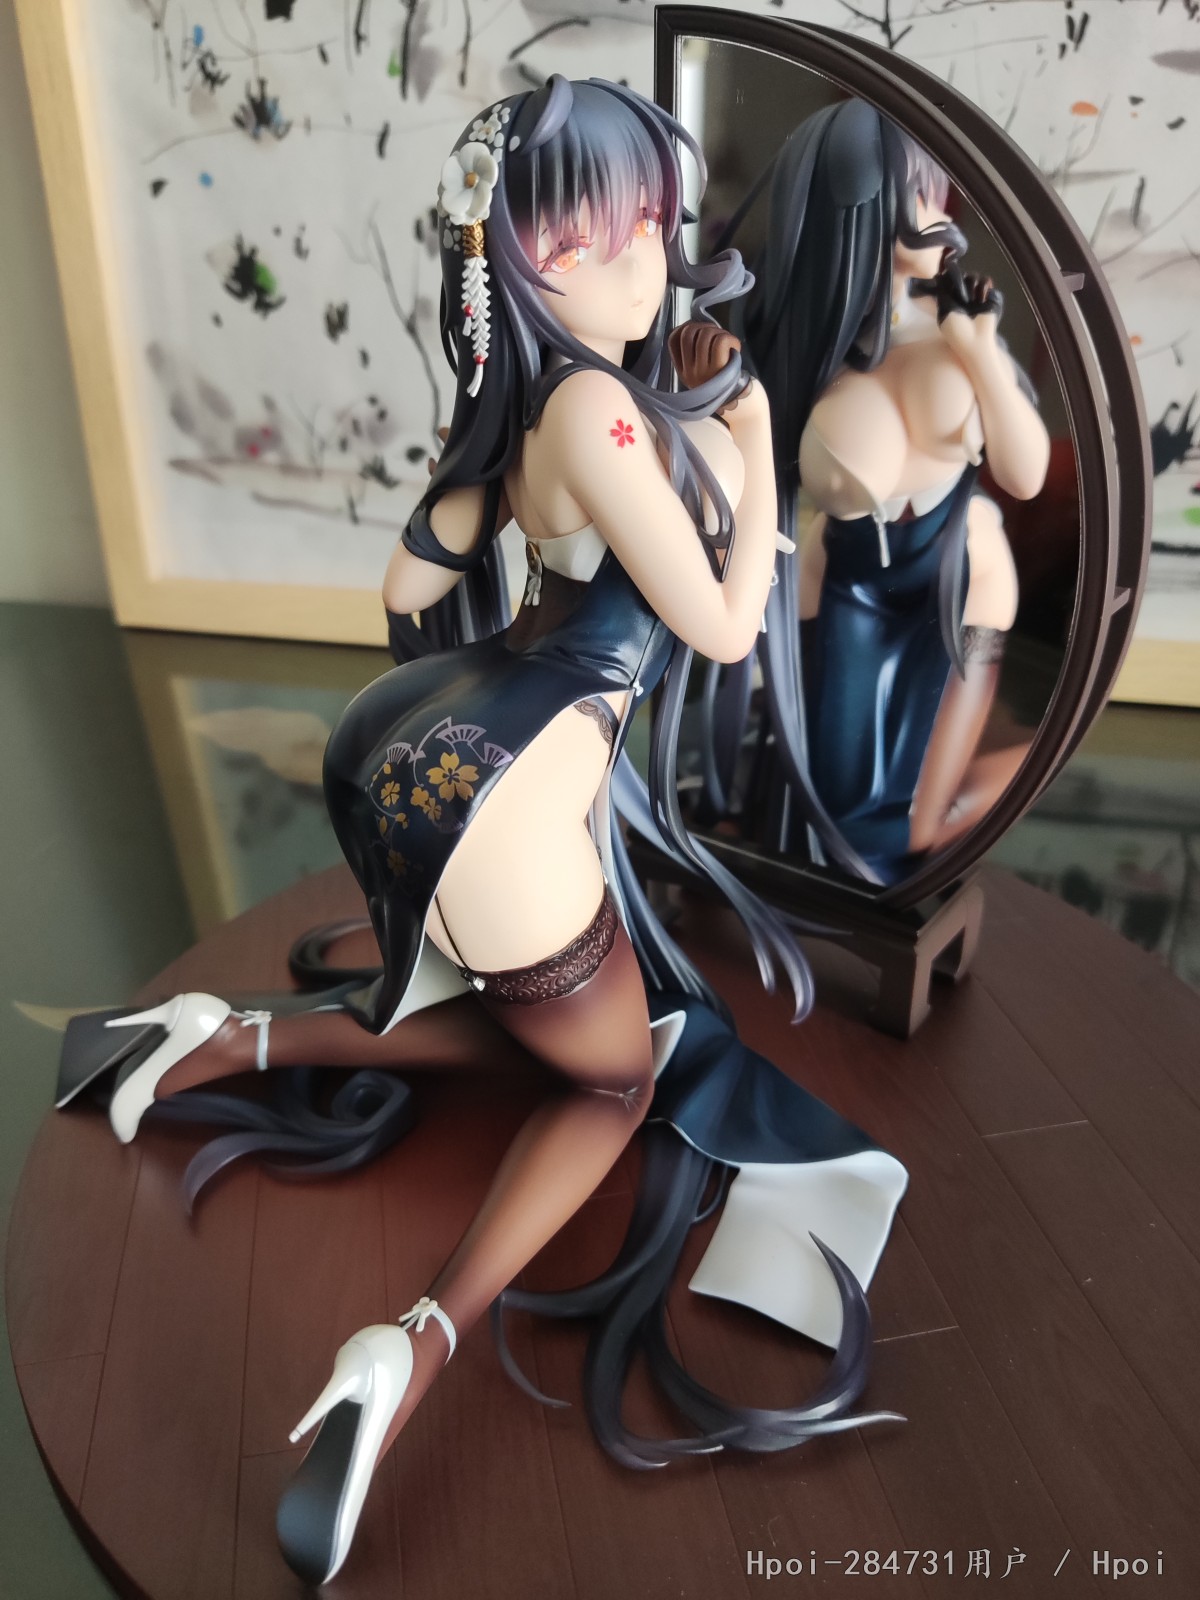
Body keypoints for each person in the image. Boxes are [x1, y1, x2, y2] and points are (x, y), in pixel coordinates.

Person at [57, 78, 907, 1586]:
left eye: (653, 227)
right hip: (509, 797)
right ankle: (415, 1345)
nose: (648, 263)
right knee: (616, 1083)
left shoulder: (518, 405)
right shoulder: (596, 409)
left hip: (416, 751)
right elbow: (722, 626)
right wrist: (754, 426)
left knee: (534, 1018)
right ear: (525, 258)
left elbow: (405, 589)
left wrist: (503, 662)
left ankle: (217, 1041)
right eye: (607, 238)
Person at [720, 99, 1050, 885]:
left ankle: (1026, 766)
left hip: (964, 577)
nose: (941, 218)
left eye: (940, 195)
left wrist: (978, 352)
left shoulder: (959, 327)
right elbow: (750, 481)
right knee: (838, 817)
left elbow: (1025, 473)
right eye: (919, 195)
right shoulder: (802, 345)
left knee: (919, 830)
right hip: (846, 579)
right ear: (858, 199)